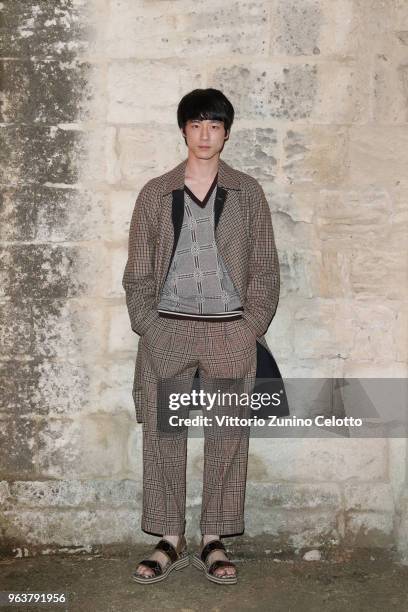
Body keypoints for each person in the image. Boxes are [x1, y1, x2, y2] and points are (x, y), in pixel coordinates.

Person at [122, 88, 280, 585]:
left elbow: (264, 266)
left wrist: (250, 326)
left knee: (227, 436)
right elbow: (137, 273)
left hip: (231, 331)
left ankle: (214, 536)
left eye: (214, 125)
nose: (205, 134)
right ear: (184, 130)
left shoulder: (248, 192)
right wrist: (149, 326)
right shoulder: (155, 193)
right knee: (163, 436)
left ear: (227, 133)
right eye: (196, 125)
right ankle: (170, 537)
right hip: (167, 330)